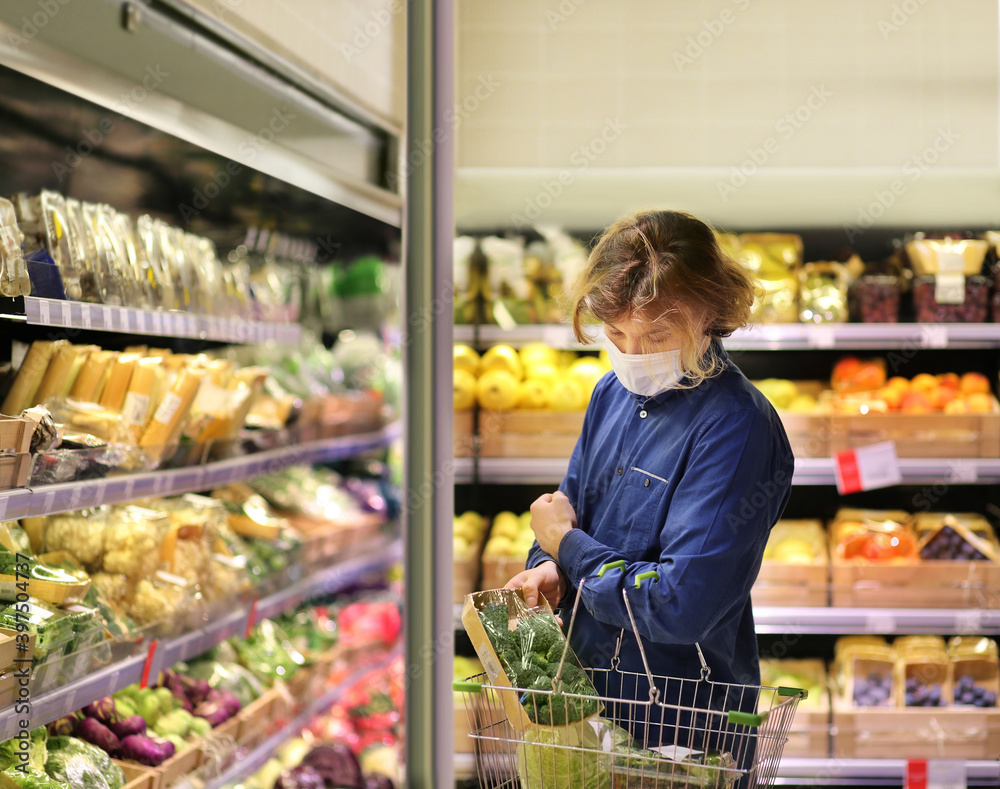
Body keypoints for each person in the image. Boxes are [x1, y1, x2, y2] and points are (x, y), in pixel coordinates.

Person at [504, 209, 795, 760]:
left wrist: (568, 549)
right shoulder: (609, 395)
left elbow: (680, 604)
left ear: (713, 311)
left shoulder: (737, 427)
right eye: (615, 334)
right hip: (590, 716)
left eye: (657, 333)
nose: (633, 355)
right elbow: (565, 517)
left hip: (684, 733)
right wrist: (550, 568)